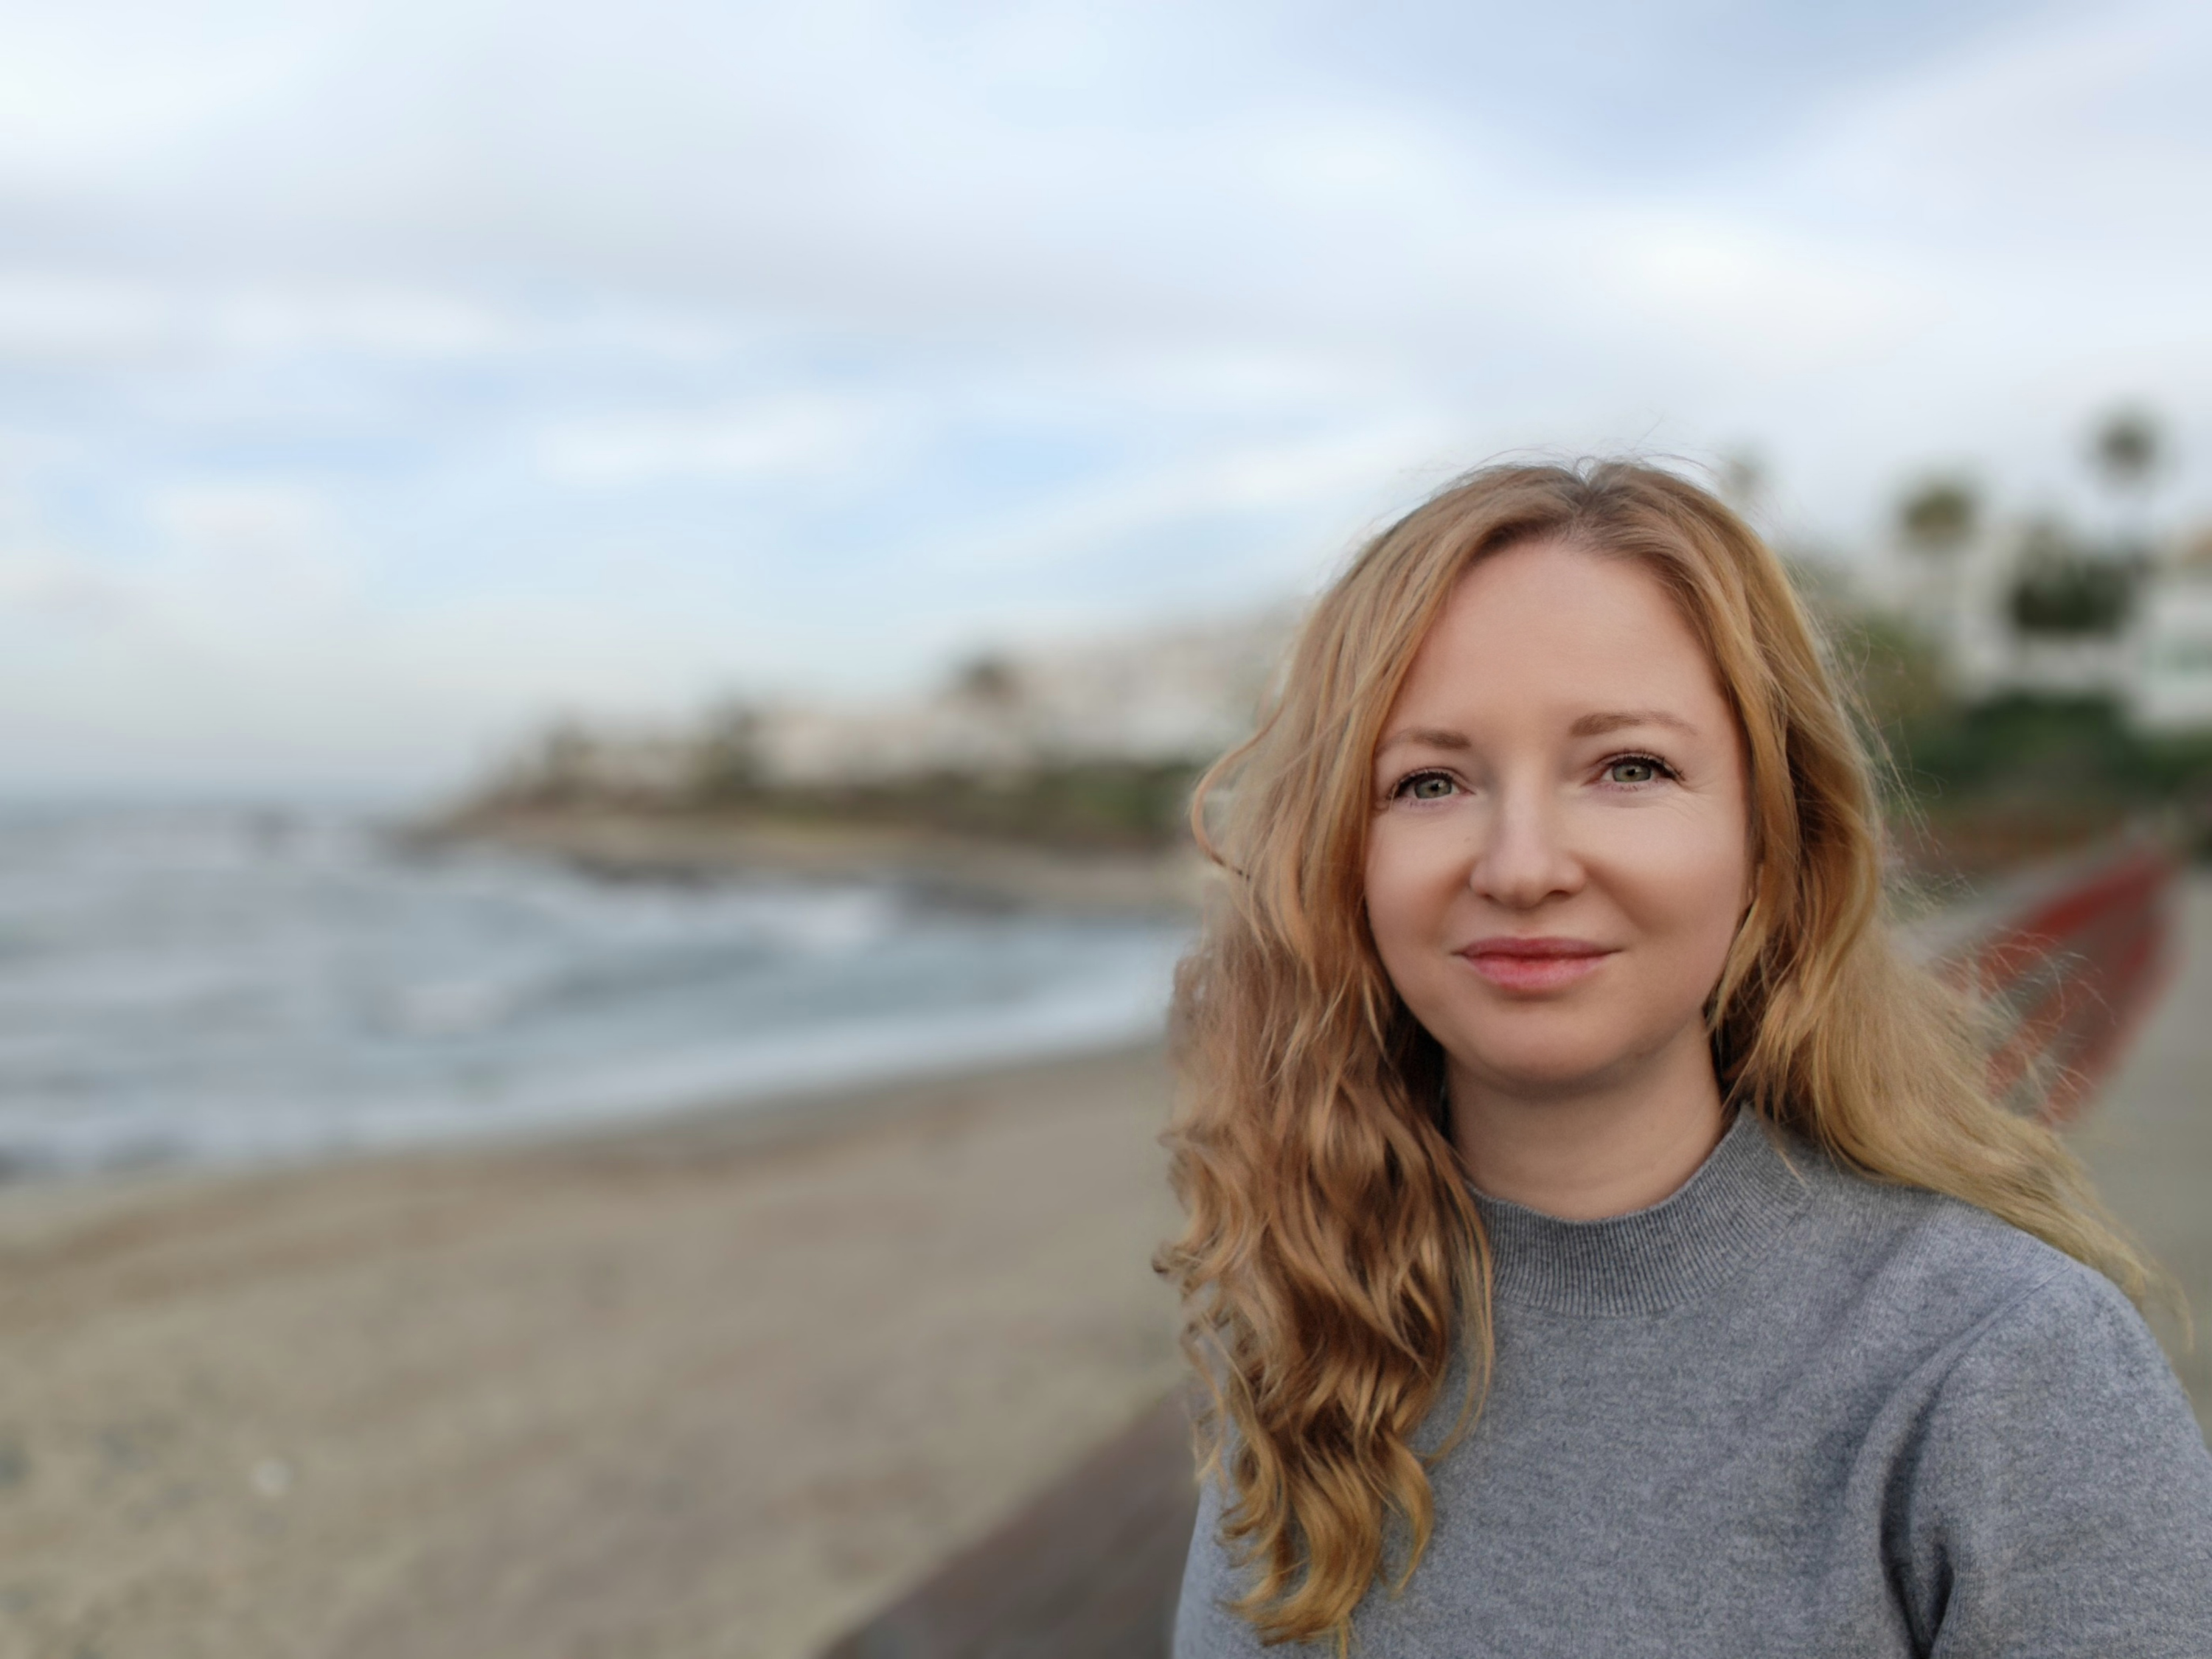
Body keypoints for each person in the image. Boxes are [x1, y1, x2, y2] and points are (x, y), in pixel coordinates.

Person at [1160, 460, 2212, 1657]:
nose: (1522, 866)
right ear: (1344, 859)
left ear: (1771, 839)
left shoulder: (2003, 1366)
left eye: (1630, 768)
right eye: (1430, 781)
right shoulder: (1310, 1325)